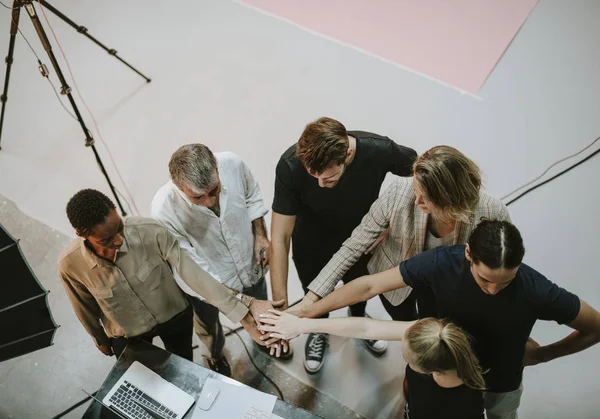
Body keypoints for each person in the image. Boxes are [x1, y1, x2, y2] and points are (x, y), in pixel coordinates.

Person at [291, 220, 600, 419]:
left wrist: (544, 355)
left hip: (502, 381)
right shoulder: (441, 264)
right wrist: (306, 311)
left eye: (505, 283)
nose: (493, 290)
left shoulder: (538, 291)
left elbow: (595, 327)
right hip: (443, 369)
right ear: (468, 255)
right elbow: (370, 286)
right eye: (485, 279)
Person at [270, 116, 417, 373]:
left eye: (328, 178)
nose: (320, 185)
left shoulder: (379, 149)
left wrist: (392, 223)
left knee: (357, 288)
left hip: (361, 240)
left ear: (347, 154)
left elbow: (422, 174)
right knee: (313, 295)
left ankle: (358, 318)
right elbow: (280, 239)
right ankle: (318, 330)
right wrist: (280, 310)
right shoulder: (290, 166)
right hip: (310, 243)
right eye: (313, 177)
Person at [298, 145, 510, 321]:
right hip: (396, 286)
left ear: (451, 199)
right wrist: (313, 297)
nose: (416, 202)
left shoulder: (491, 212)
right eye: (416, 192)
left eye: (426, 198)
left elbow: (500, 269)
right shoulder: (399, 191)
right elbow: (355, 244)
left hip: (450, 289)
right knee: (404, 323)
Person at [59, 189, 270, 362]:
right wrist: (100, 339)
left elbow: (194, 274)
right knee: (143, 382)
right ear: (82, 234)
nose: (119, 241)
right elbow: (83, 307)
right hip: (128, 333)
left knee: (183, 362)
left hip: (174, 316)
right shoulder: (70, 265)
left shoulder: (150, 231)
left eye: (120, 228)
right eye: (106, 240)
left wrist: (243, 313)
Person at [151, 144, 290, 376]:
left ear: (216, 166)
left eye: (215, 191)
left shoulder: (232, 164)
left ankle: (263, 340)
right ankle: (216, 354)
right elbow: (191, 270)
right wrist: (243, 307)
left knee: (262, 306)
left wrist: (260, 233)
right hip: (206, 288)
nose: (210, 202)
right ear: (178, 187)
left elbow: (251, 193)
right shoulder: (164, 211)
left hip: (249, 264)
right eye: (198, 197)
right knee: (209, 327)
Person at [259, 312, 486, 419]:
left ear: (432, 372)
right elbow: (366, 328)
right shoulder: (431, 335)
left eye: (407, 360)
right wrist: (302, 325)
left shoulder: (463, 410)